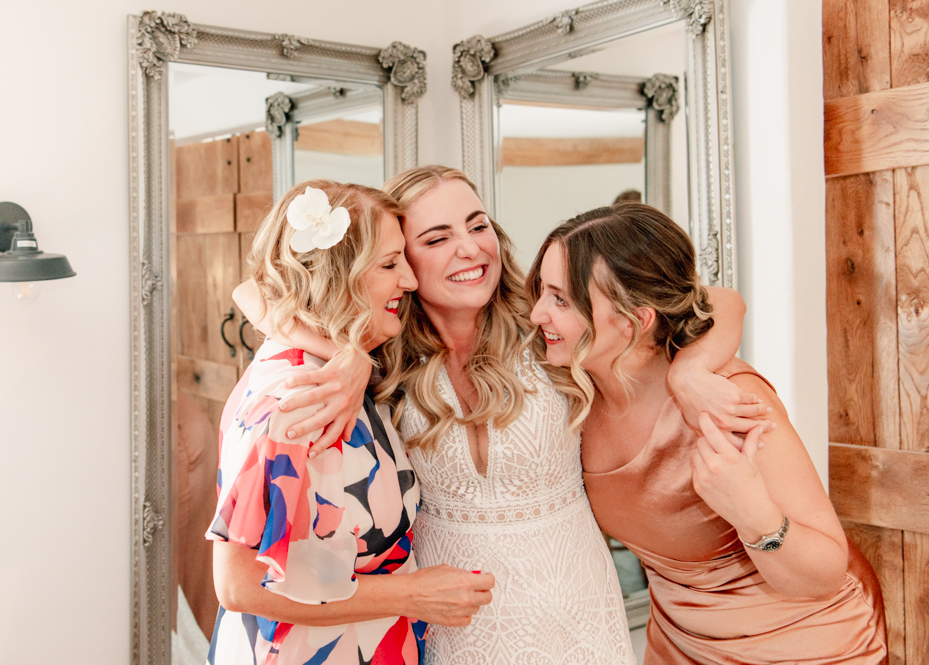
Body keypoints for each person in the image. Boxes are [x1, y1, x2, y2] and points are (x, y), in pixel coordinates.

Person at [235, 167, 772, 664]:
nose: (470, 248)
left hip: (576, 608)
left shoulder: (549, 325)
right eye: (437, 238)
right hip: (452, 620)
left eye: (478, 225)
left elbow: (719, 301)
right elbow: (253, 294)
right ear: (399, 257)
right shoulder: (386, 352)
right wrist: (350, 356)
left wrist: (690, 373)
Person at [528, 202, 888, 664]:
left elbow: (824, 571)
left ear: (636, 321)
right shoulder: (568, 391)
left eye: (560, 299)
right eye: (542, 291)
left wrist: (754, 514)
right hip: (679, 644)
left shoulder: (727, 399)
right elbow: (722, 298)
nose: (537, 313)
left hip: (800, 644)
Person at [207, 180, 495, 665]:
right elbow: (239, 585)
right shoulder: (297, 400)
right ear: (334, 277)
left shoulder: (348, 371)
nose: (408, 280)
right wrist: (412, 595)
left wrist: (352, 356)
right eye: (388, 264)